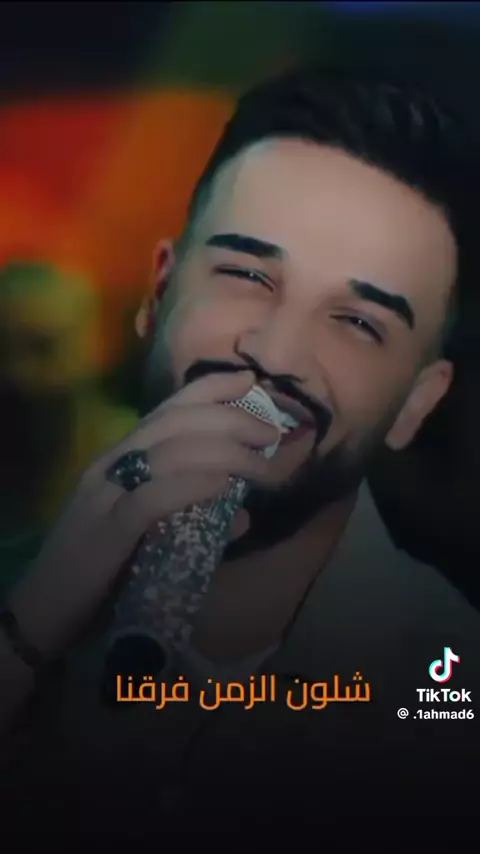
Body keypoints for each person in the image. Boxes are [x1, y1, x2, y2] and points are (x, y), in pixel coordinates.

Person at [1, 65, 480, 841]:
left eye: (359, 323)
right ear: (158, 293)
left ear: (417, 404)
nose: (277, 355)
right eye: (249, 275)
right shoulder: (20, 592)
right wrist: (29, 632)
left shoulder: (453, 687)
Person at [0, 260, 137, 588]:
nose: (16, 374)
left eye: (43, 348)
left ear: (99, 347)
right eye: (1, 352)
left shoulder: (150, 465)